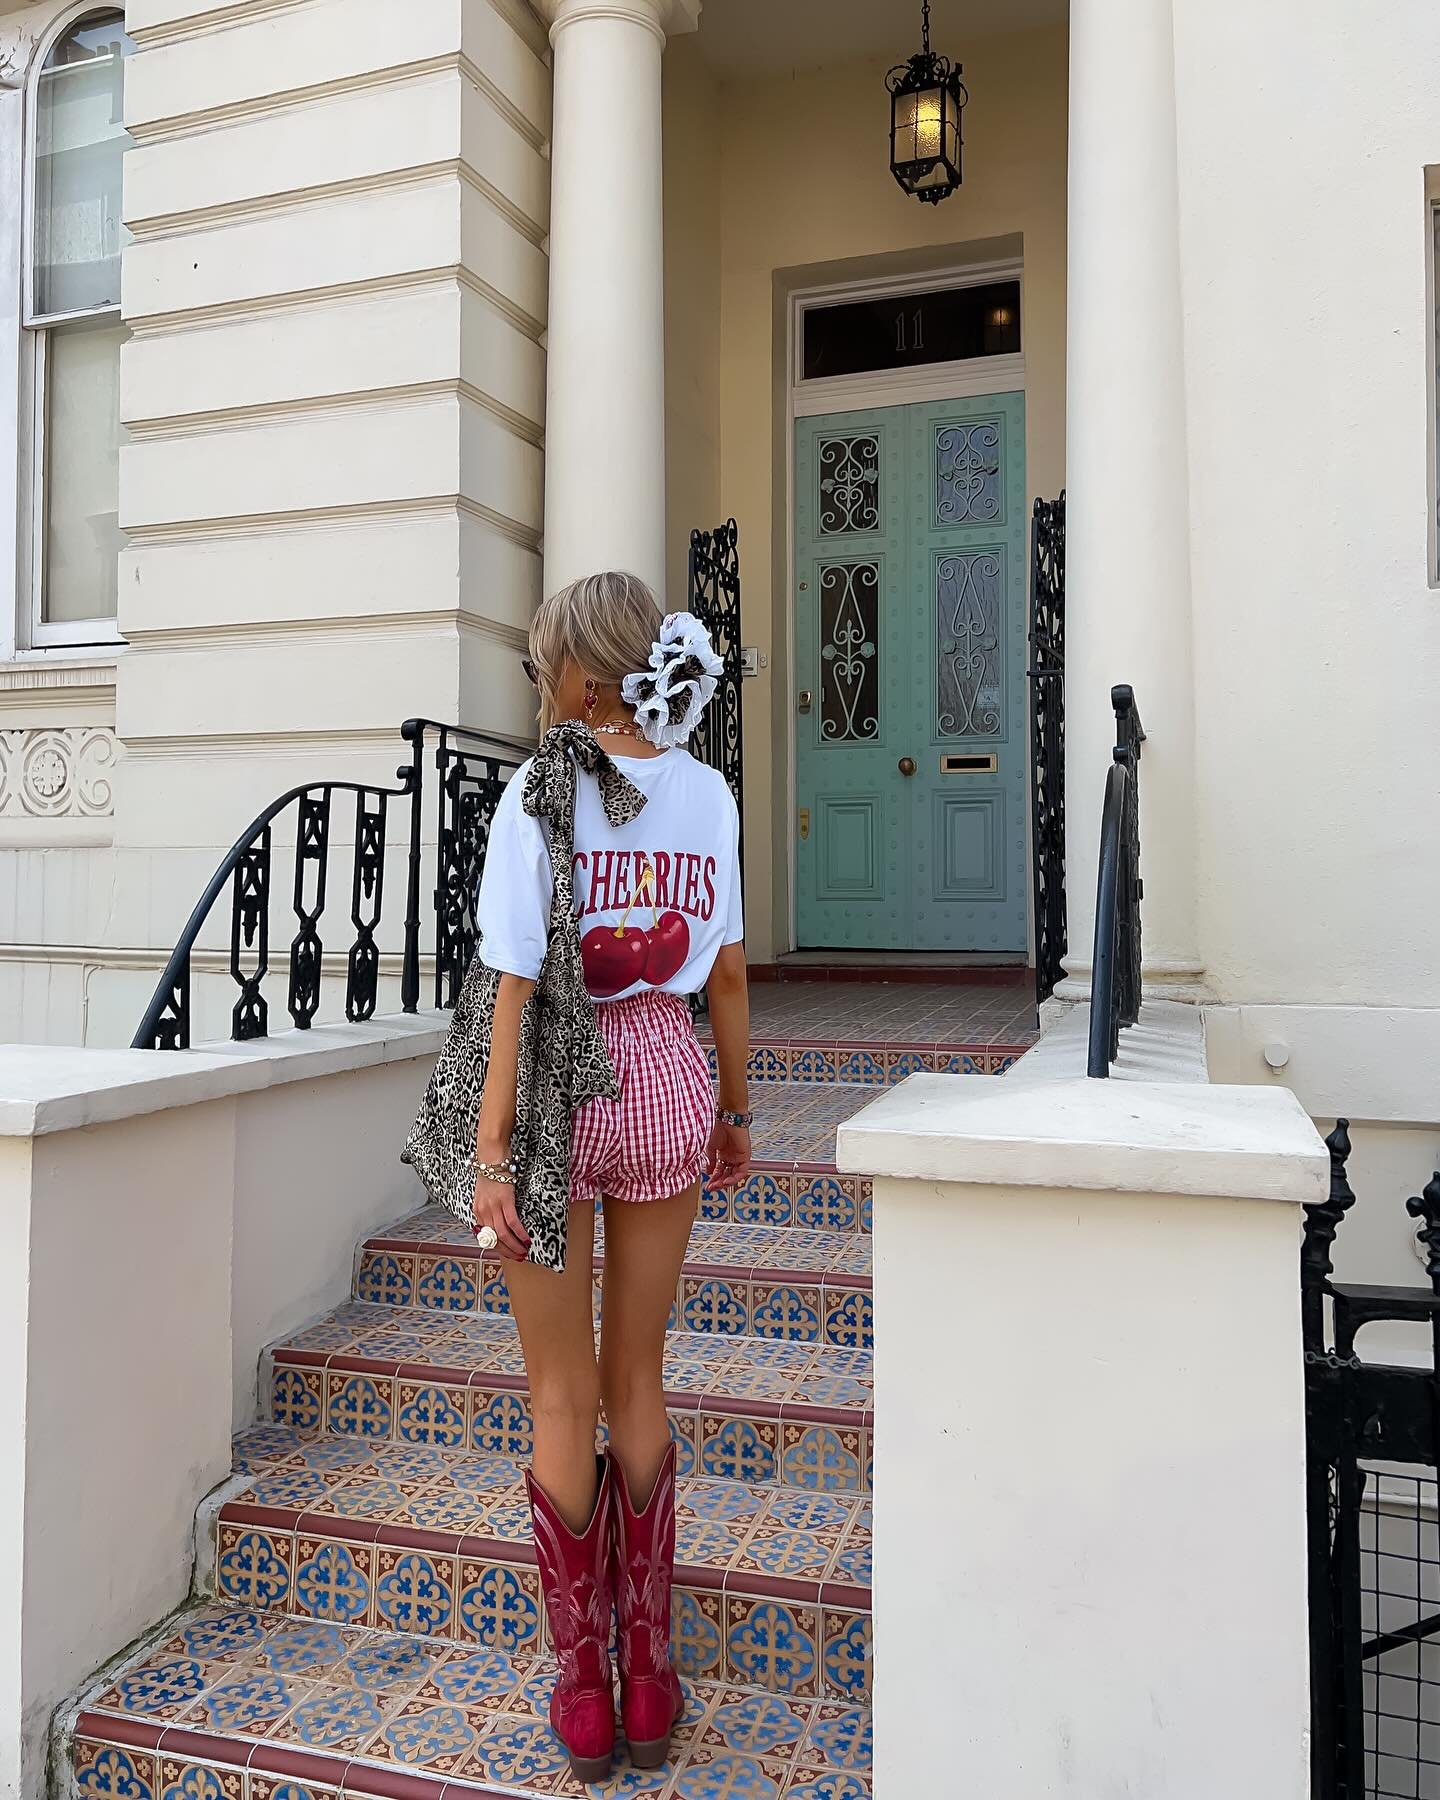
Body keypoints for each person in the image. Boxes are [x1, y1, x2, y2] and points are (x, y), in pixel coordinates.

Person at [469, 570, 752, 1782]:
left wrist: (489, 1154)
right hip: (664, 1073)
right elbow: (727, 976)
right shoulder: (706, 793)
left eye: (545, 668)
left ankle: (581, 1687)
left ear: (578, 676)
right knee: (638, 1376)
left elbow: (513, 989)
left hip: (554, 1088)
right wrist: (734, 1108)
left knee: (557, 1393)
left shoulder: (538, 794)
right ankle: (652, 1675)